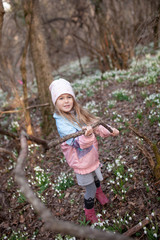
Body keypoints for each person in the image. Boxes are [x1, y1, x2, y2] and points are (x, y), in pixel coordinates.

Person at [49, 78, 119, 223]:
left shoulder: (78, 112)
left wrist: (109, 130)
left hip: (92, 157)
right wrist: (87, 136)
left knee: (97, 178)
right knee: (90, 189)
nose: (66, 101)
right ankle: (90, 212)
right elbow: (77, 144)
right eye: (61, 98)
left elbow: (95, 124)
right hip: (81, 162)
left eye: (69, 97)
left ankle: (99, 193)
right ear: (55, 102)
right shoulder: (62, 123)